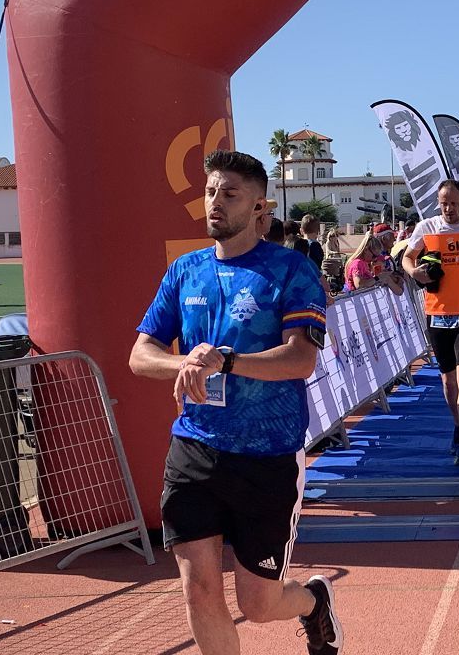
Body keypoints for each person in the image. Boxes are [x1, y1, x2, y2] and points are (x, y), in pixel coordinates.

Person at [127, 150, 341, 655]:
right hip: (195, 446)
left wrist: (225, 361)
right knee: (198, 588)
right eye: (210, 192)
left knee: (258, 605)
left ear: (260, 208)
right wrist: (186, 366)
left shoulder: (291, 271)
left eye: (230, 194)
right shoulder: (186, 271)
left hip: (267, 453)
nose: (215, 203)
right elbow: (140, 355)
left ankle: (313, 602)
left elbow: (300, 359)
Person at [401, 179, 459, 466]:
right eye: (444, 203)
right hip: (438, 314)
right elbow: (407, 257)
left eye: (454, 203)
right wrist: (414, 272)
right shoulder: (426, 228)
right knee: (448, 380)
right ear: (438, 203)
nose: (449, 209)